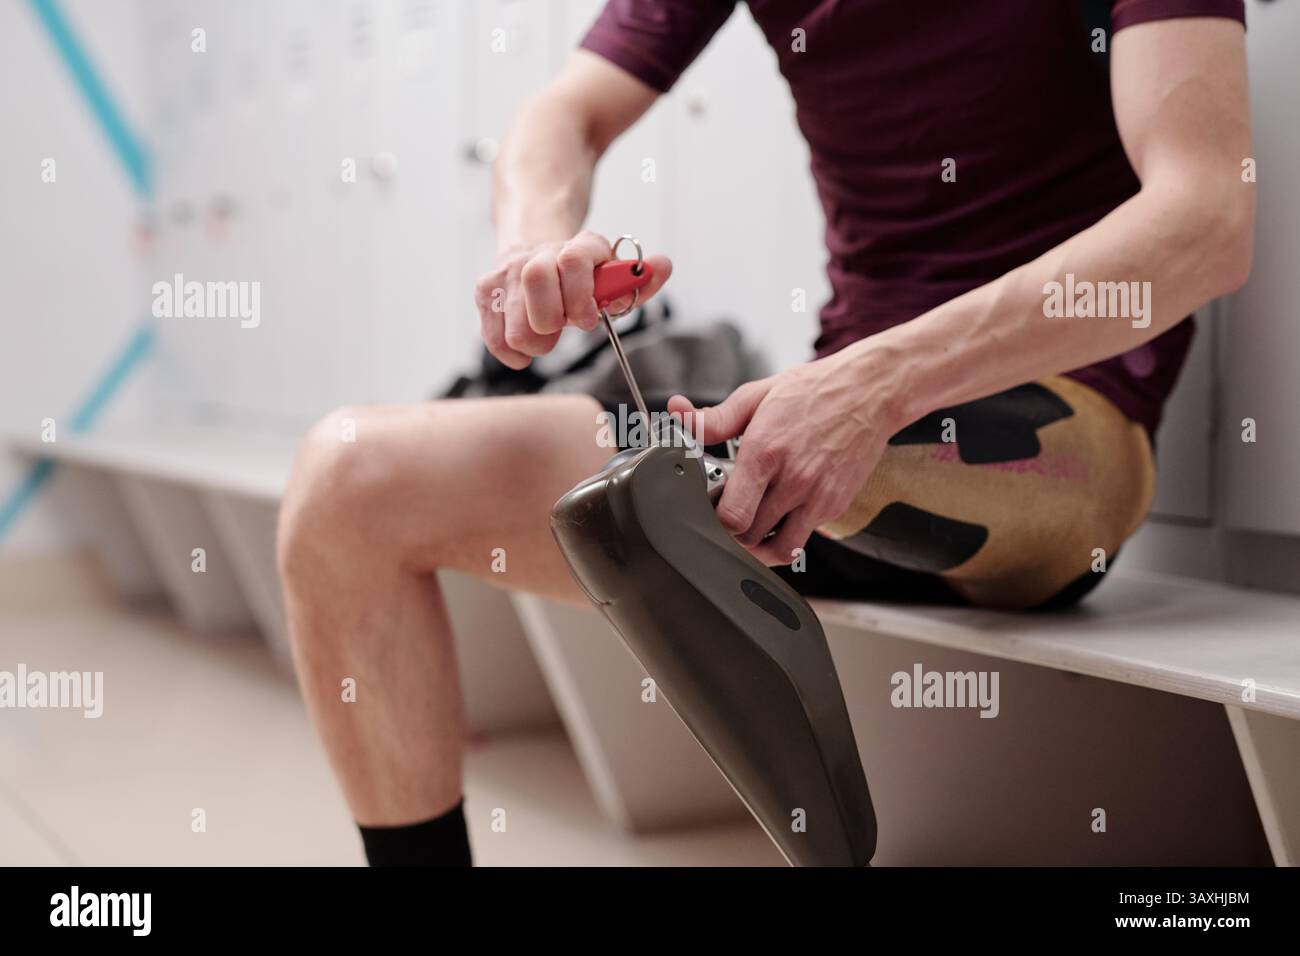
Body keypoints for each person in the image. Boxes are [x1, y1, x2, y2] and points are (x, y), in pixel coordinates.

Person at [277, 0, 1253, 866]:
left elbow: (1206, 213)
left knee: (751, 457)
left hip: (1043, 438)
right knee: (347, 479)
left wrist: (876, 383)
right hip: (810, 433)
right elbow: (559, 118)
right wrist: (535, 246)